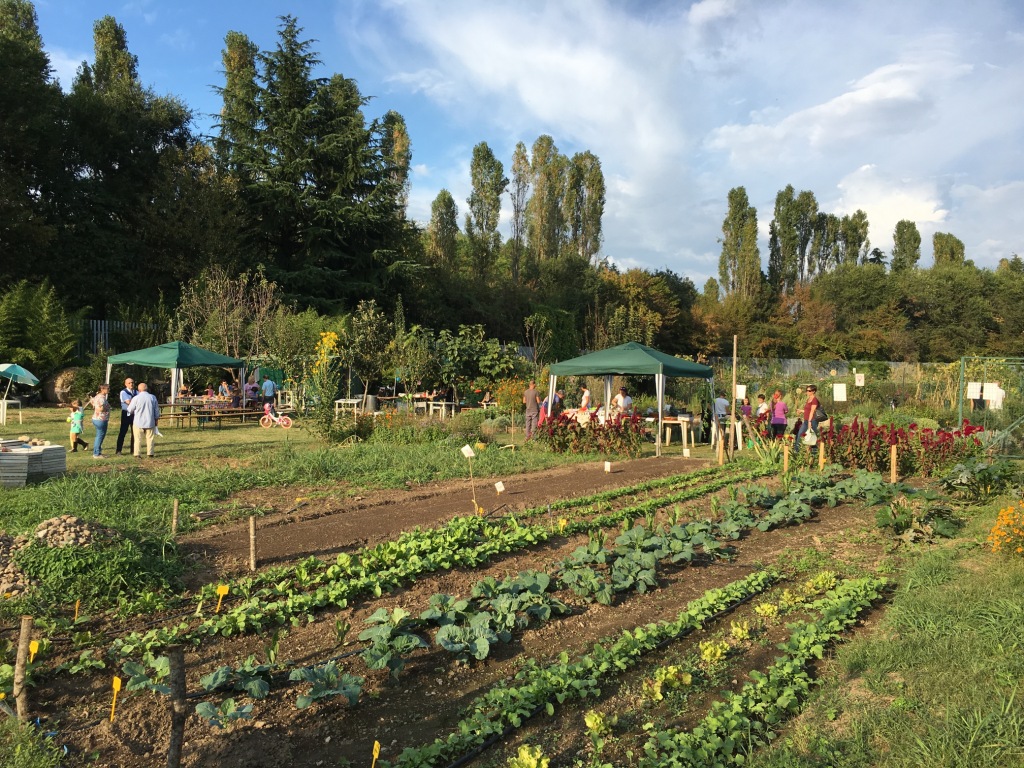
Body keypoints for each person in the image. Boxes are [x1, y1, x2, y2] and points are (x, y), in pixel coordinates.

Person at [127, 382, 160, 458]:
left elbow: (130, 409)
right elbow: (156, 409)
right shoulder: (152, 397)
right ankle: (150, 453)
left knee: (138, 438)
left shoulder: (136, 398)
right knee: (150, 438)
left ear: (139, 390)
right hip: (150, 420)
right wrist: (156, 418)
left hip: (138, 421)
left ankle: (137, 454)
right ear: (147, 389)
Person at [114, 377, 137, 456]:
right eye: (129, 383)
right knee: (123, 432)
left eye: (132, 382)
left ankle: (133, 450)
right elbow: (128, 402)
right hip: (126, 413)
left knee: (135, 432)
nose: (131, 384)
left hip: (135, 414)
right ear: (125, 384)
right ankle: (118, 450)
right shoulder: (123, 392)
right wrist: (136, 402)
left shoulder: (136, 392)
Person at [796, 384, 821, 454]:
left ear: (813, 391)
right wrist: (801, 411)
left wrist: (810, 421)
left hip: (812, 421)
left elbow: (812, 411)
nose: (807, 392)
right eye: (807, 390)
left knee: (813, 436)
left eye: (809, 391)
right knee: (800, 434)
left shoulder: (814, 400)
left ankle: (814, 452)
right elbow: (808, 410)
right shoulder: (808, 399)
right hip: (806, 420)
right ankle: (797, 451)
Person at [90, 384, 111, 458]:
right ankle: (96, 453)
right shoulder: (102, 398)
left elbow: (92, 403)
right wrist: (107, 409)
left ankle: (98, 452)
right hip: (101, 419)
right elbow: (101, 408)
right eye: (107, 388)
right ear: (102, 389)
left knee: (99, 435)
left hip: (96, 418)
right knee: (100, 436)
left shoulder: (97, 396)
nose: (109, 389)